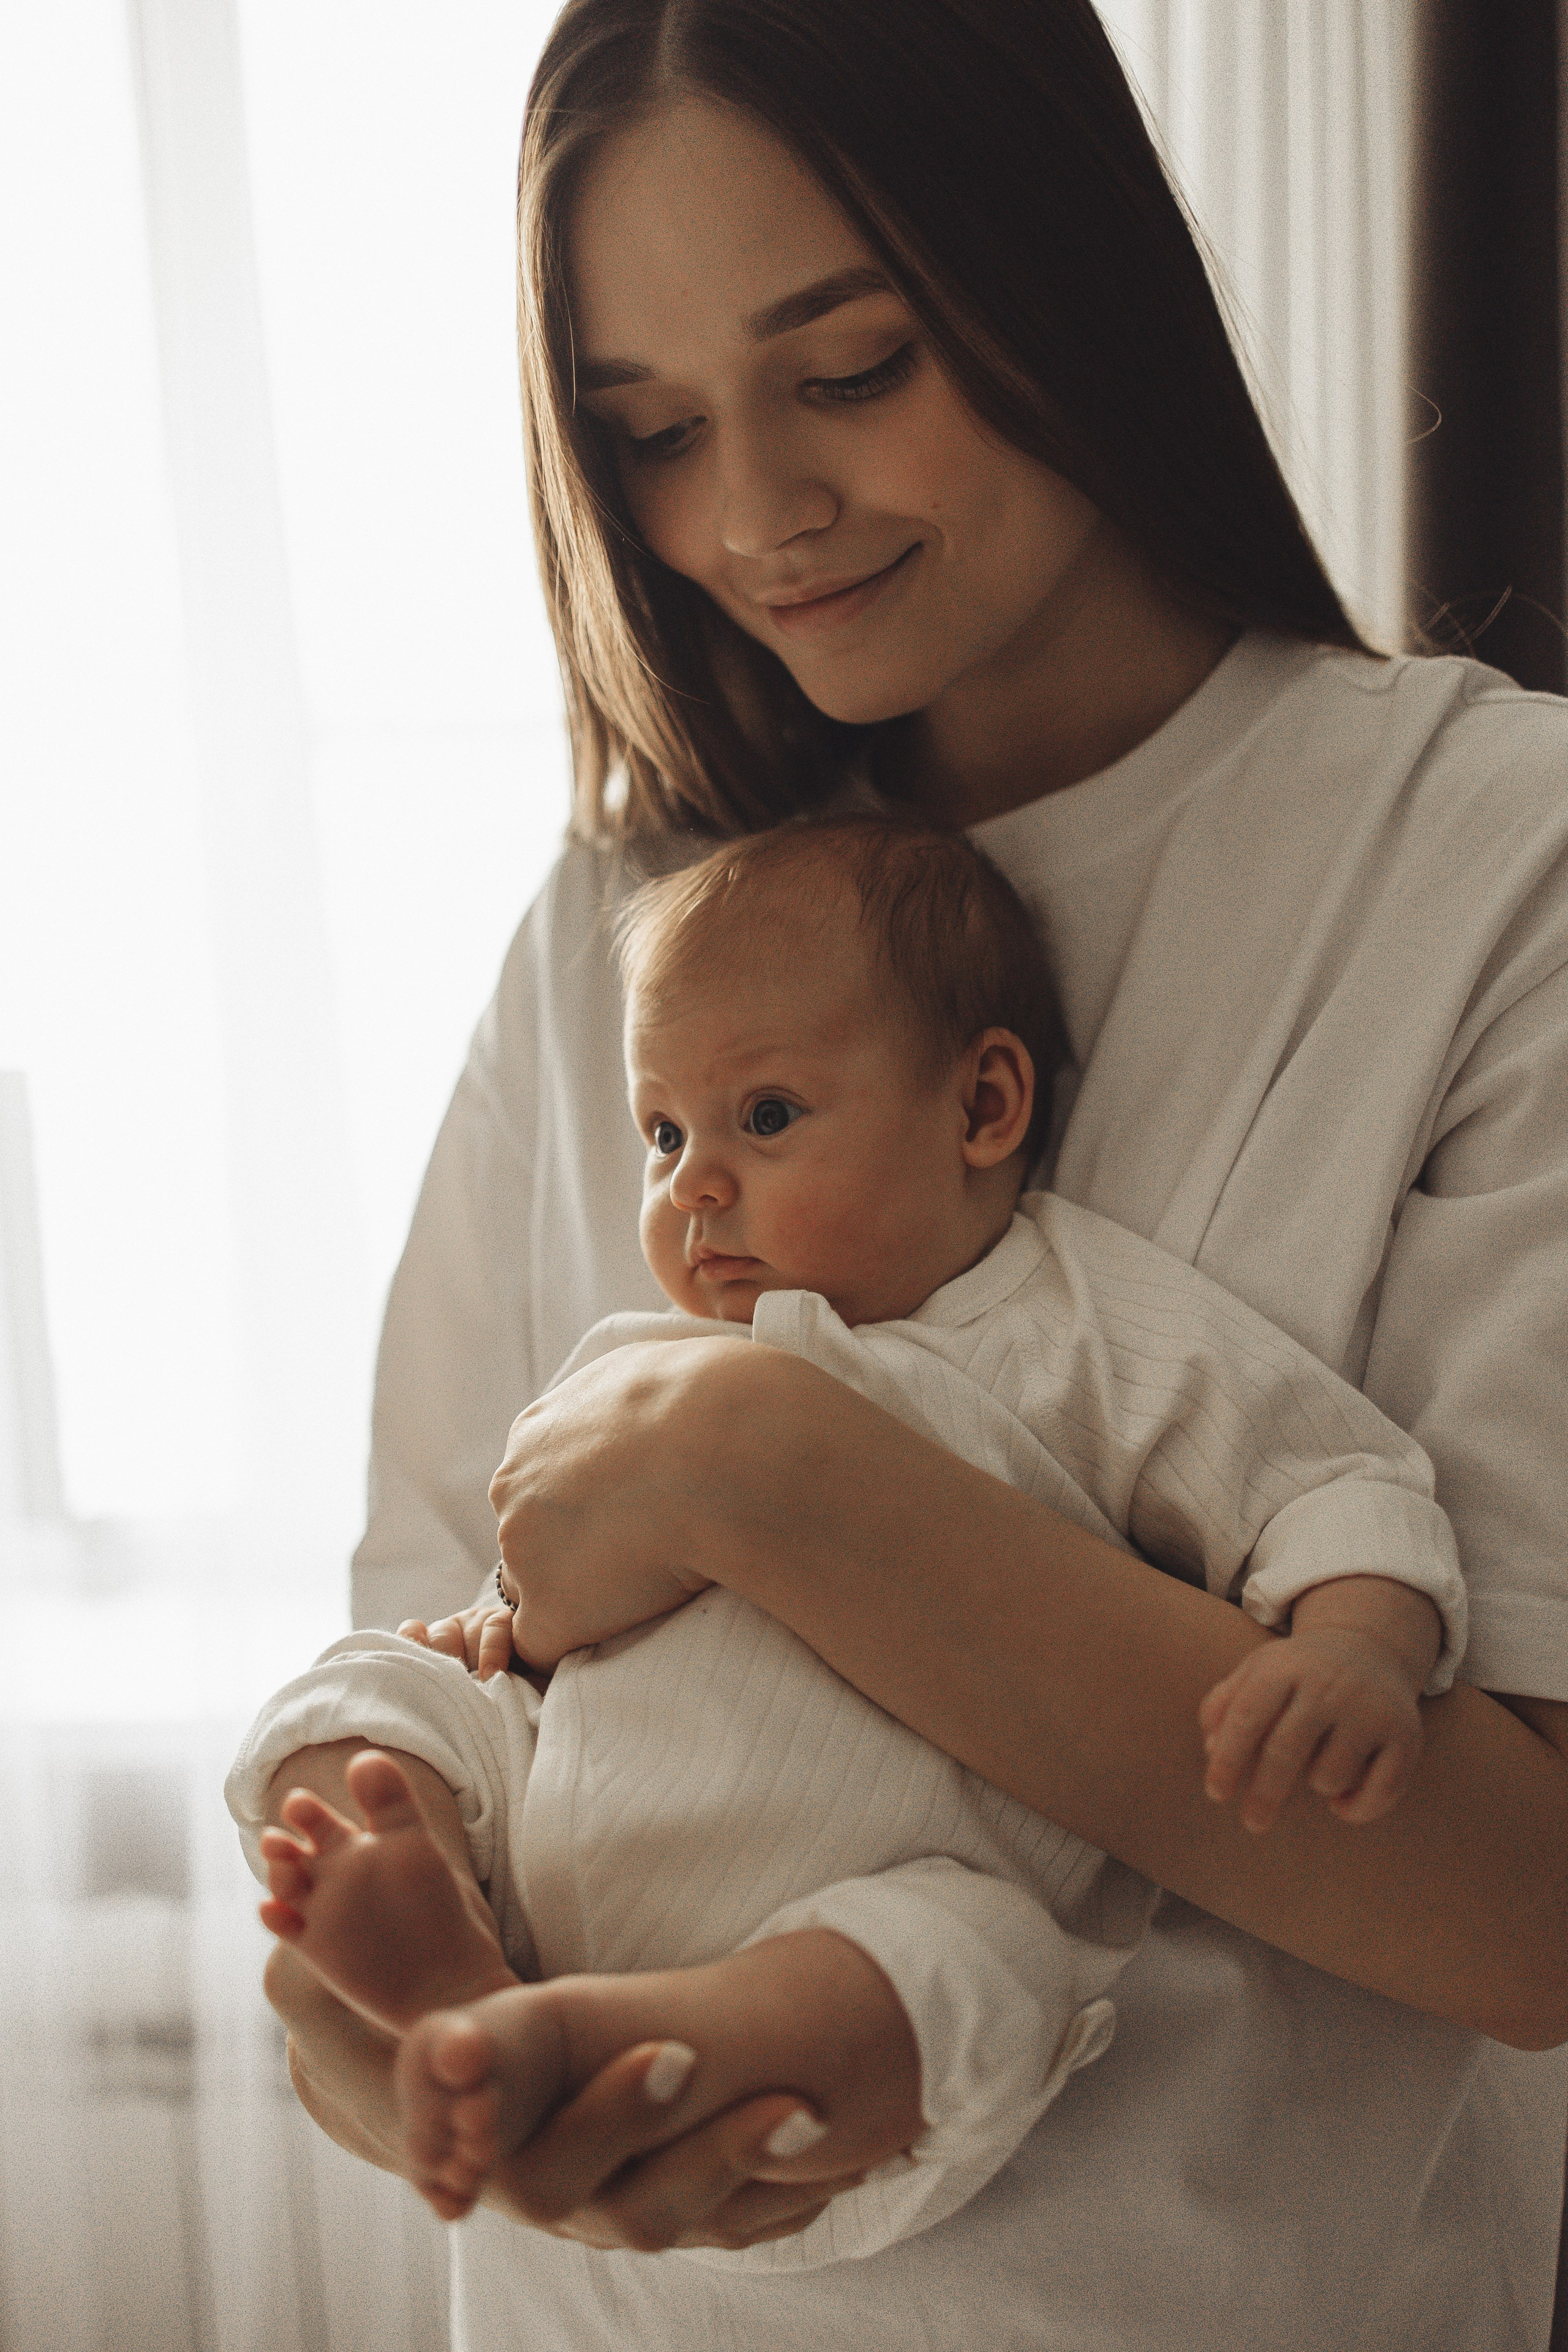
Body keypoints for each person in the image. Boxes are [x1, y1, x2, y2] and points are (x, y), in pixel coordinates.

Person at [258, 2, 1568, 2347]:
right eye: (646, 432)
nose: (752, 517)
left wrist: (762, 1464)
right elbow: (446, 1676)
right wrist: (407, 2052)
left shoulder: (1487, 865)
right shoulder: (624, 921)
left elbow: (1528, 1915)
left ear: (1062, 267)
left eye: (851, 369)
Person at [230, 818, 1465, 2266]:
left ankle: (626, 2035)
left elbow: (1329, 1478)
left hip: (864, 1900)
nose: (691, 1183)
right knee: (365, 1699)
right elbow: (530, 1599)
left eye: (762, 1119)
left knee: (976, 1963)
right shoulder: (634, 1359)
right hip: (575, 1821)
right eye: (662, 1132)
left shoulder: (1075, 1328)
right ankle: (440, 1941)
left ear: (981, 1106)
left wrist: (1356, 1642)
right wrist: (487, 1634)